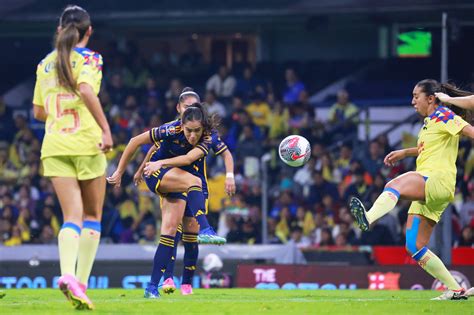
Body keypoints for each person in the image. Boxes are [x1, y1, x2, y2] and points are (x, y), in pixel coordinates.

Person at [349, 79, 474, 300]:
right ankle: (455, 289)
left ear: (431, 98)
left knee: (393, 184)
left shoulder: (444, 115)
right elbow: (428, 148)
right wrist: (405, 153)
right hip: (433, 190)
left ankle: (368, 219)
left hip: (436, 180)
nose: (412, 101)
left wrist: (451, 102)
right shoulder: (429, 123)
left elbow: (469, 132)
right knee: (414, 246)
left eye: (416, 96)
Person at [32, 5, 113, 310]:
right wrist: (106, 129)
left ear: (59, 29)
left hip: (54, 146)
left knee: (71, 217)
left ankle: (67, 275)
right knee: (91, 216)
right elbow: (86, 90)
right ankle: (79, 281)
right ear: (88, 31)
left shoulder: (44, 64)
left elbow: (39, 111)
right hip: (87, 143)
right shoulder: (91, 59)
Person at [107, 103, 218, 299]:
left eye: (197, 131)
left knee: (168, 232)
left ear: (203, 128)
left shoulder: (208, 138)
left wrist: (161, 162)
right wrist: (119, 171)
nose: (193, 136)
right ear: (181, 125)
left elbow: (188, 159)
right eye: (189, 131)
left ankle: (151, 288)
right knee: (194, 182)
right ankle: (206, 228)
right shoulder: (170, 129)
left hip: (177, 179)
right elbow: (134, 141)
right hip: (158, 174)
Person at [134, 88, 235, 294]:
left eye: (193, 106)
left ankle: (186, 284)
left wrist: (230, 175)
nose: (189, 109)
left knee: (189, 235)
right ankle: (167, 279)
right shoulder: (172, 129)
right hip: (171, 179)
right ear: (179, 108)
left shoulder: (205, 133)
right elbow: (152, 148)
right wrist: (140, 169)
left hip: (195, 184)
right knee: (171, 229)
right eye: (186, 106)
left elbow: (217, 155)